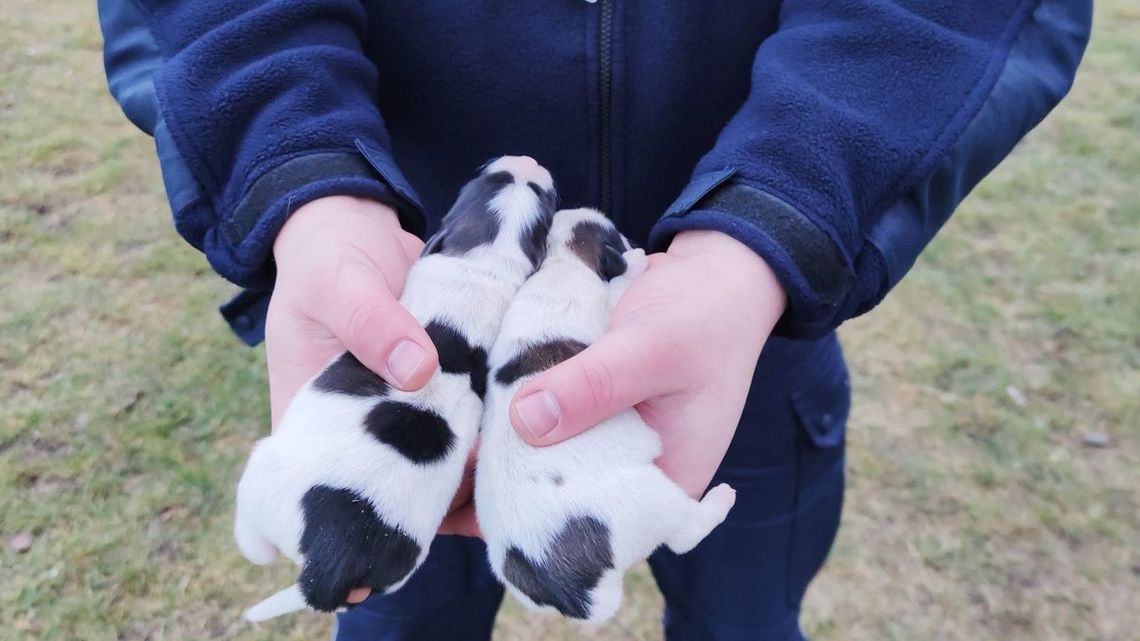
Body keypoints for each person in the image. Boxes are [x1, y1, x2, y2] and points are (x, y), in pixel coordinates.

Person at [97, 2, 1091, 639]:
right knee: (400, 620)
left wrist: (773, 227)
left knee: (746, 620)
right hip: (415, 331)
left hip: (748, 326)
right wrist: (302, 178)